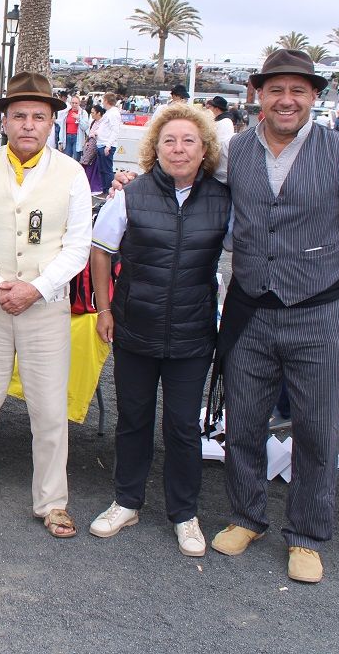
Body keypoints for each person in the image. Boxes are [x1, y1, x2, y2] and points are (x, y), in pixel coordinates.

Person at [209, 49, 339, 584]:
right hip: (249, 311)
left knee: (317, 429)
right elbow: (190, 183)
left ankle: (307, 535)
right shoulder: (234, 151)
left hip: (319, 314)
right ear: (257, 95)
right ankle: (247, 516)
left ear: (314, 96)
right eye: (276, 90)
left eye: (298, 90)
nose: (286, 100)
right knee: (241, 423)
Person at [0, 73, 92, 538]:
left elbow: (78, 247)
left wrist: (35, 288)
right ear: (4, 120)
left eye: (38, 117)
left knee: (49, 411)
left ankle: (52, 502)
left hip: (45, 307)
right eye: (19, 116)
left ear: (52, 123)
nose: (28, 124)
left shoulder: (72, 173)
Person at [87, 103, 229, 557]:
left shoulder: (222, 199)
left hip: (193, 332)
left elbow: (244, 256)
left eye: (189, 140)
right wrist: (104, 308)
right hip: (135, 327)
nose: (179, 148)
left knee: (184, 425)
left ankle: (184, 514)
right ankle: (126, 501)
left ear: (204, 148)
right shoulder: (132, 194)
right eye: (169, 140)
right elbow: (101, 250)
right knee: (134, 419)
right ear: (155, 148)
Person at [90, 92, 123, 196]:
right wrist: (97, 133)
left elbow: (115, 131)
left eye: (103, 100)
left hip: (105, 145)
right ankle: (104, 190)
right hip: (101, 144)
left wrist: (108, 145)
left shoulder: (113, 114)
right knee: (102, 169)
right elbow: (106, 128)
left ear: (106, 101)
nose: (102, 103)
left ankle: (108, 191)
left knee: (107, 170)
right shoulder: (109, 113)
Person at [81, 105, 106, 193]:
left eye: (93, 112)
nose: (91, 114)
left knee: (89, 164)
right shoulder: (94, 122)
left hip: (96, 146)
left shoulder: (103, 123)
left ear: (98, 113)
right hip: (90, 144)